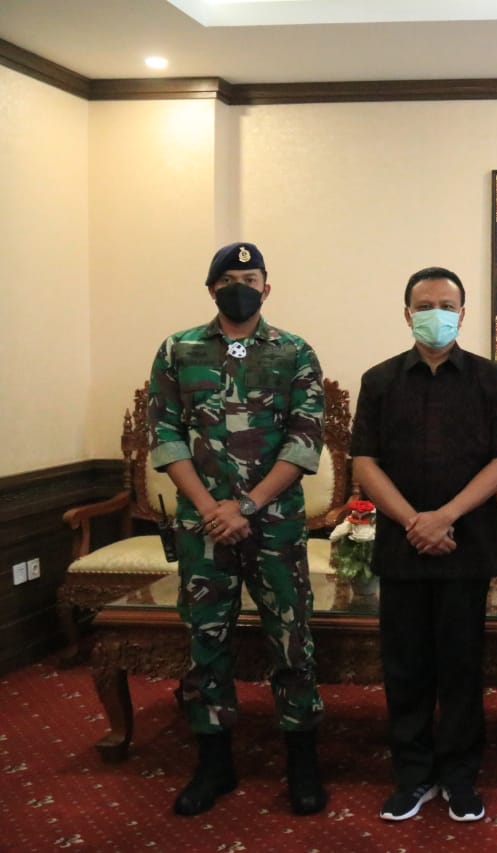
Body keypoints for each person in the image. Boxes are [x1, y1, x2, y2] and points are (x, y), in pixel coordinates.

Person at [147, 241, 327, 817]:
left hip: (275, 525)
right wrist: (211, 509)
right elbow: (165, 436)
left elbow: (304, 441)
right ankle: (213, 764)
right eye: (228, 279)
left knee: (292, 641)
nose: (239, 287)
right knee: (206, 643)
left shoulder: (295, 352)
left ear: (267, 288)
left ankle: (302, 765)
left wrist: (245, 507)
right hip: (204, 528)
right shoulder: (178, 350)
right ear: (211, 289)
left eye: (249, 279)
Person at [351, 266, 497, 824]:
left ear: (463, 313)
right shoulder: (379, 381)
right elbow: (364, 463)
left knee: (461, 666)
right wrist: (414, 522)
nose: (437, 314)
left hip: (466, 545)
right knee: (405, 667)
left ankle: (459, 776)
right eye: (425, 305)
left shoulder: (491, 380)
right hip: (401, 545)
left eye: (447, 306)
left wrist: (445, 517)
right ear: (408, 314)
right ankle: (413, 776)